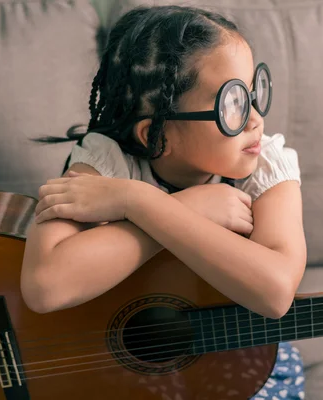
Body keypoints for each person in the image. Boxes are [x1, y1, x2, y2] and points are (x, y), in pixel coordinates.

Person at [21, 5, 307, 399]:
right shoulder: (107, 164)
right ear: (157, 138)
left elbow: (275, 293)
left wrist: (140, 205)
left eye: (253, 93)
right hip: (139, 365)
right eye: (233, 105)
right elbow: (44, 286)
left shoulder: (266, 167)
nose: (256, 118)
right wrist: (172, 204)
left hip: (237, 356)